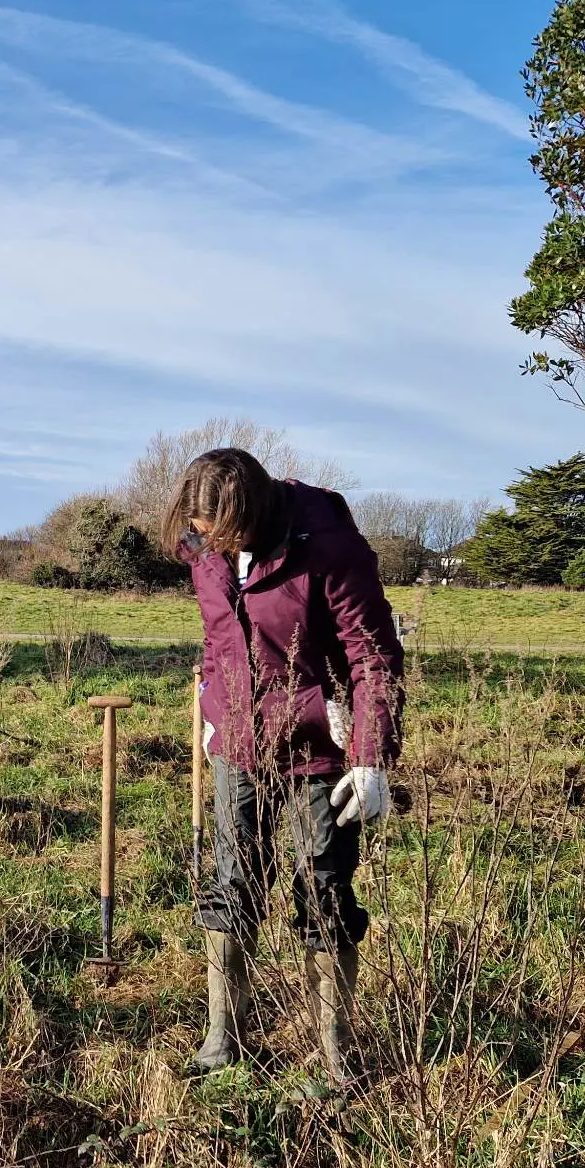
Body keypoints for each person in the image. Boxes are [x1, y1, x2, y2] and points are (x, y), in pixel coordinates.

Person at [160, 448, 404, 1087]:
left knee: (324, 892)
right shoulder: (204, 549)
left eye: (222, 533)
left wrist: (370, 757)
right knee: (231, 882)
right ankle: (224, 1035)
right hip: (238, 744)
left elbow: (372, 654)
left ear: (253, 512)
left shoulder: (326, 543)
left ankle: (336, 1052)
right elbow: (219, 636)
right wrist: (212, 704)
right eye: (202, 532)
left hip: (318, 748)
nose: (210, 544)